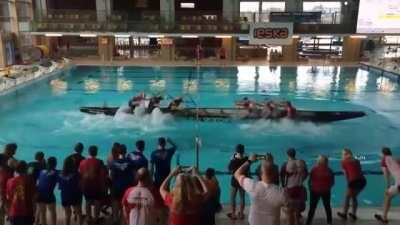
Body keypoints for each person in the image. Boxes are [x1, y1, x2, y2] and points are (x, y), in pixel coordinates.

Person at [234, 154, 293, 225]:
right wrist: (271, 164)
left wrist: (250, 161)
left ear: (260, 173)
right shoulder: (282, 192)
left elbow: (237, 174)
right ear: (275, 174)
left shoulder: (252, 185)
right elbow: (289, 215)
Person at [79, 145, 107, 224]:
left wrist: (81, 186)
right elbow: (102, 175)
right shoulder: (99, 162)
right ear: (96, 152)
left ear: (88, 152)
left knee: (88, 201)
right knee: (97, 202)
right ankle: (96, 219)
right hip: (96, 185)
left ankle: (88, 218)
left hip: (86, 185)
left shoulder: (82, 162)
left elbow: (80, 174)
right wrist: (103, 187)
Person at [337, 148, 366, 221]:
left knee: (347, 197)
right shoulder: (357, 160)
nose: (342, 155)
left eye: (343, 154)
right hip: (362, 181)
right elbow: (359, 170)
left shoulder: (343, 161)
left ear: (346, 154)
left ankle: (344, 214)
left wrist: (348, 183)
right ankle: (354, 214)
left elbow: (346, 174)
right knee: (353, 197)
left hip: (353, 181)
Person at [280, 148, 308, 225]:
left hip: (290, 188)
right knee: (297, 209)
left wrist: (283, 186)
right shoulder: (302, 162)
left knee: (289, 210)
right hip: (299, 187)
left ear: (287, 154)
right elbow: (306, 174)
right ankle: (297, 222)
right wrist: (301, 180)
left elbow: (282, 176)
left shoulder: (285, 164)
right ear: (295, 154)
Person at [109, 146, 135, 225]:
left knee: (115, 202)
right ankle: (123, 221)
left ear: (117, 152)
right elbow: (133, 175)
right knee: (125, 205)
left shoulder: (112, 163)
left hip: (116, 186)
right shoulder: (130, 163)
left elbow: (110, 176)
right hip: (127, 188)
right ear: (125, 152)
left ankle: (115, 219)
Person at [305, 155, 334, 225]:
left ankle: (308, 222)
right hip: (326, 191)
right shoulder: (330, 170)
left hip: (314, 191)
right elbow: (332, 182)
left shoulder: (314, 169)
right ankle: (329, 222)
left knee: (312, 208)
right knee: (327, 207)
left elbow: (310, 181)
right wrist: (327, 187)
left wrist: (310, 188)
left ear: (319, 161)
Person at [374, 147, 400, 224]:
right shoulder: (395, 158)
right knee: (388, 196)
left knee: (387, 195)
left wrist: (387, 187)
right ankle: (383, 216)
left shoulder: (384, 160)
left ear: (383, 154)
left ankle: (384, 218)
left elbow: (386, 176)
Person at [6, 161, 36, 225]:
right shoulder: (29, 179)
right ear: (26, 169)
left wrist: (9, 213)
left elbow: (8, 198)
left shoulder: (9, 181)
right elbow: (34, 196)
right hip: (27, 212)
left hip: (14, 212)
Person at [58, 157, 83, 225]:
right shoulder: (77, 174)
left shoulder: (60, 175)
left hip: (64, 196)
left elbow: (60, 187)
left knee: (67, 215)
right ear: (73, 165)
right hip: (75, 196)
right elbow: (80, 186)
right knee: (79, 214)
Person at [227, 144, 248, 220]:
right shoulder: (246, 159)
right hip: (243, 180)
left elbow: (229, 169)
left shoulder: (233, 160)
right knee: (242, 197)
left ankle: (233, 214)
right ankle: (241, 214)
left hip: (235, 180)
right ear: (243, 150)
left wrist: (231, 159)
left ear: (236, 151)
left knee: (233, 197)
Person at [37, 157, 58, 225]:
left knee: (42, 213)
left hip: (40, 195)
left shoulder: (41, 172)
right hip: (49, 195)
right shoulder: (55, 173)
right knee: (52, 212)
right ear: (55, 164)